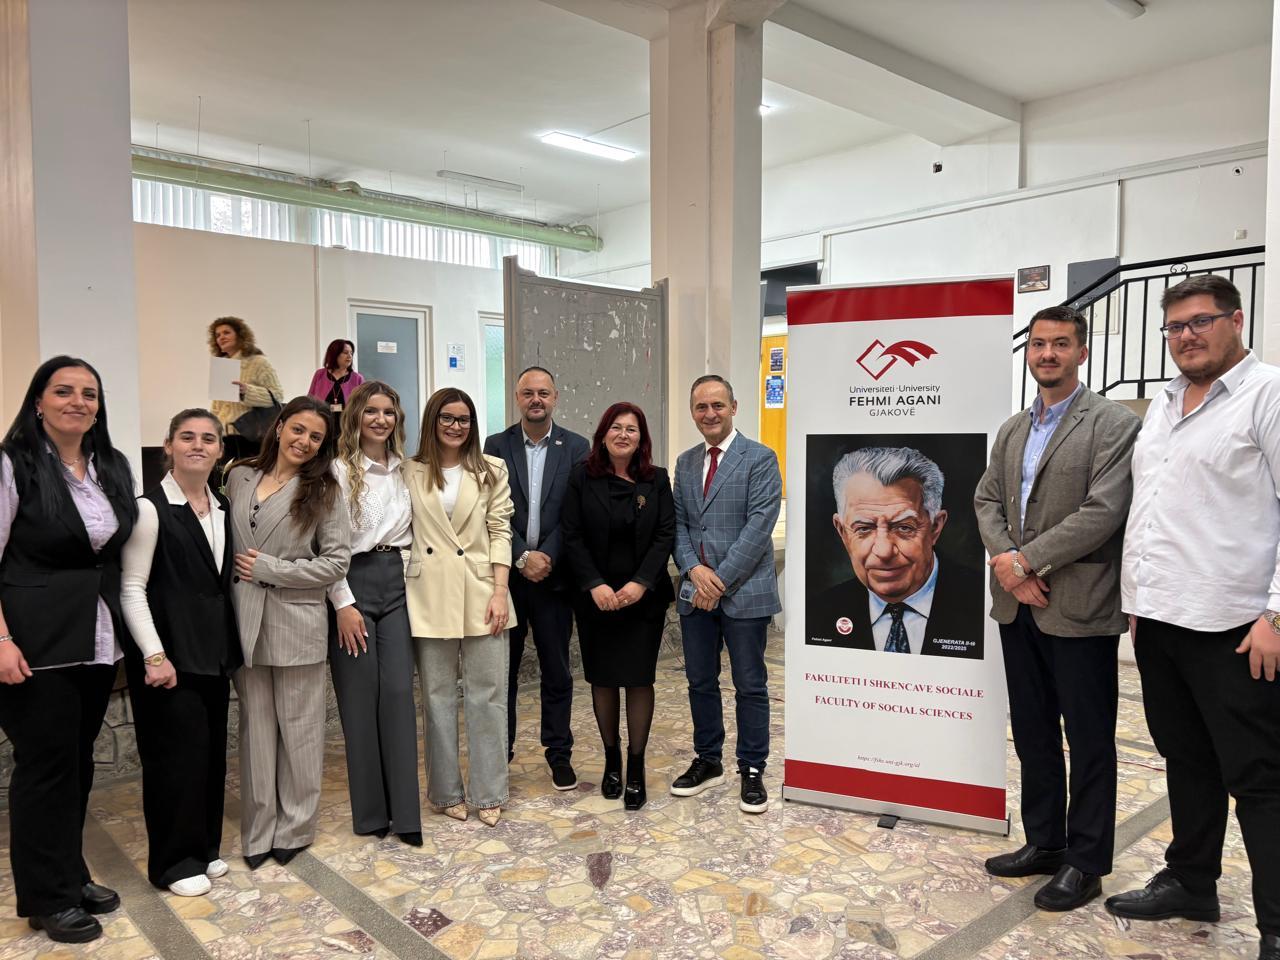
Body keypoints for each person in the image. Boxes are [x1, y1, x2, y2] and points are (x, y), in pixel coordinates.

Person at [1108, 275, 1280, 960]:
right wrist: (1137, 601)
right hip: (1161, 620)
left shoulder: (1267, 395)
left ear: (1236, 321)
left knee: (1260, 779)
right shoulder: (1164, 402)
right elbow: (1155, 506)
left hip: (1236, 627)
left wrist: (1276, 616)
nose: (1187, 336)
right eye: (1175, 326)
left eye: (1201, 321)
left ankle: (1276, 926)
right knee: (1186, 761)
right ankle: (1191, 881)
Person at [974, 306, 1140, 912]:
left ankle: (1086, 861)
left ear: (1082, 352)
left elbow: (1103, 511)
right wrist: (1008, 563)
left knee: (1089, 738)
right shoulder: (1012, 428)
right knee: (1034, 730)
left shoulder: (1114, 424)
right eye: (1039, 344)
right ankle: (1045, 842)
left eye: (1061, 344)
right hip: (1017, 606)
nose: (1047, 353)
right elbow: (987, 499)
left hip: (1078, 605)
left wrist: (1026, 563)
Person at [0, 357, 137, 943]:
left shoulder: (111, 465)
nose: (78, 401)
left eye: (89, 393)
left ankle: (70, 874)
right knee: (44, 769)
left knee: (76, 765)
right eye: (63, 391)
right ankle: (46, 897)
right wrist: (1, 640)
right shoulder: (14, 465)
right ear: (38, 402)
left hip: (94, 638)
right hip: (35, 643)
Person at [119, 409, 243, 898]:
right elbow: (131, 588)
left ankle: (205, 849)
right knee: (174, 763)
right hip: (168, 657)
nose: (198, 445)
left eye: (208, 438)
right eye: (187, 437)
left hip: (212, 653)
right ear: (168, 446)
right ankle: (174, 863)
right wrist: (154, 656)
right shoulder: (149, 509)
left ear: (220, 451)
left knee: (209, 757)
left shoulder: (222, 506)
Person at [225, 395, 350, 869]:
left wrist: (273, 569)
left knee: (300, 733)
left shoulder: (324, 490)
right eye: (298, 429)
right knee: (255, 734)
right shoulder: (238, 477)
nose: (305, 441)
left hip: (296, 623)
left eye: (316, 437)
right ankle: (258, 830)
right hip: (244, 623)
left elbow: (336, 563)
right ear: (279, 427)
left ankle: (295, 827)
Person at [670, 375, 782, 815]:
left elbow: (758, 528)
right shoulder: (685, 463)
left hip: (744, 594)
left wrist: (717, 582)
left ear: (734, 407)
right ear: (692, 412)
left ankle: (752, 768)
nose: (710, 414)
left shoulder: (760, 458)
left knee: (750, 685)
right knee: (700, 681)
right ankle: (708, 759)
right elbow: (679, 525)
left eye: (718, 405)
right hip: (694, 591)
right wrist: (694, 571)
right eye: (701, 407)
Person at [404, 388, 515, 827]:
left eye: (464, 419)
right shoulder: (409, 471)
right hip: (429, 593)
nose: (456, 426)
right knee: (436, 697)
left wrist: (501, 591)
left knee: (488, 695)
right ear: (432, 421)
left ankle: (490, 791)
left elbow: (500, 529)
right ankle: (445, 790)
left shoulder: (491, 469)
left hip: (483, 590)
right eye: (447, 418)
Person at [561, 402, 675, 810]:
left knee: (639, 680)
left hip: (643, 600)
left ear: (641, 438)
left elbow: (665, 534)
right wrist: (594, 584)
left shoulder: (656, 479)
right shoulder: (582, 477)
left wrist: (640, 583)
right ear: (603, 434)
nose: (623, 434)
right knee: (604, 681)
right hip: (596, 600)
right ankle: (612, 762)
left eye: (632, 429)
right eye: (616, 427)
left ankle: (636, 767)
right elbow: (571, 535)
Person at [483, 366, 590, 787]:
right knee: (502, 672)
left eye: (543, 393)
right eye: (528, 393)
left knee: (557, 670)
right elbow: (489, 511)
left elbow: (574, 513)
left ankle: (559, 753)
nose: (536, 400)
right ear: (517, 397)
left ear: (555, 397)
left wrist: (545, 556)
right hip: (505, 580)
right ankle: (501, 753)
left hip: (555, 580)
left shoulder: (576, 447)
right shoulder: (495, 446)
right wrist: (522, 556)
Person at [328, 381, 421, 846]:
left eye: (388, 412)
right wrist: (342, 603)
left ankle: (406, 815)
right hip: (353, 581)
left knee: (400, 693)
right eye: (371, 411)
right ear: (356, 417)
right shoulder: (337, 470)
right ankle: (370, 815)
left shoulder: (408, 470)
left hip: (398, 582)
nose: (380, 419)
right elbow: (326, 544)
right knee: (360, 701)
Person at [807, 445, 983, 658]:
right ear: (843, 532)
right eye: (864, 528)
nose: (884, 551)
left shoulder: (984, 603)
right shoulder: (818, 612)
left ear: (935, 528)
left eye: (904, 527)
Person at [208, 316, 284, 463]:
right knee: (225, 476)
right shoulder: (221, 366)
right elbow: (217, 407)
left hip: (250, 437)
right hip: (224, 438)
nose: (221, 337)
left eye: (226, 332)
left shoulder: (258, 362)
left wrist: (247, 392)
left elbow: (277, 395)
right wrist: (212, 430)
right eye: (217, 335)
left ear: (240, 335)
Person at [307, 339, 364, 419]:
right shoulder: (320, 374)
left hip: (346, 423)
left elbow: (362, 406)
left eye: (351, 353)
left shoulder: (358, 378)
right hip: (322, 421)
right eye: (345, 353)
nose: (349, 356)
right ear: (334, 354)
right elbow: (309, 400)